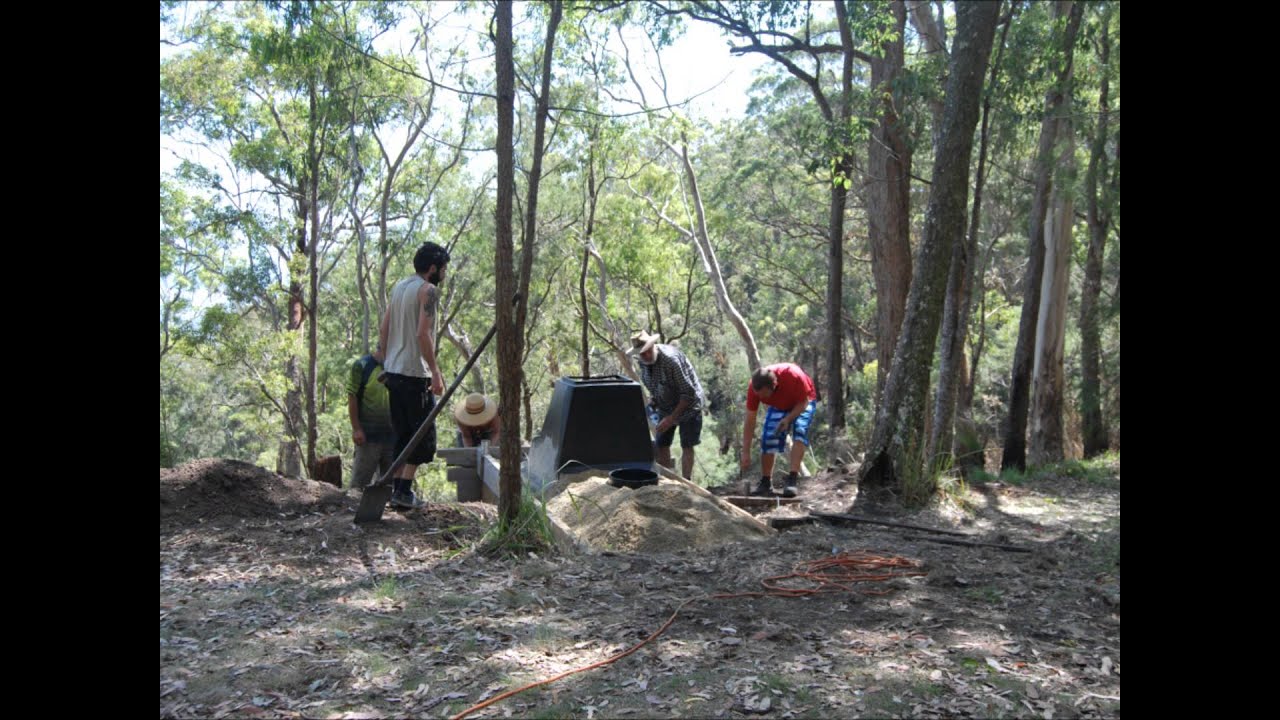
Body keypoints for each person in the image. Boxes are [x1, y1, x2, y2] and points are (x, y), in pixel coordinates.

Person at [377, 241, 450, 509]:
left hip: (394, 373)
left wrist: (386, 362)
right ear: (432, 269)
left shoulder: (399, 288)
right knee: (422, 437)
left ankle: (397, 491)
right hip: (414, 374)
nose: (444, 274)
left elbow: (384, 329)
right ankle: (404, 492)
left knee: (403, 434)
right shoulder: (427, 291)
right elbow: (423, 334)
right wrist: (435, 372)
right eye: (443, 269)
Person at [627, 330, 705, 480]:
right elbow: (655, 387)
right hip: (666, 404)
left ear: (653, 345)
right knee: (662, 443)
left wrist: (671, 419)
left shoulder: (671, 360)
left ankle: (686, 483)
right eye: (642, 354)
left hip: (689, 405)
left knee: (687, 444)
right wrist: (653, 402)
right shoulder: (643, 363)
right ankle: (667, 481)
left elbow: (688, 393)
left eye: (648, 351)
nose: (646, 356)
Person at [740, 363, 818, 498]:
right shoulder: (754, 387)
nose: (762, 399)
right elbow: (750, 419)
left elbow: (803, 402)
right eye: (759, 395)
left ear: (774, 386)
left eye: (764, 395)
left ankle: (792, 480)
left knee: (799, 431)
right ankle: (765, 482)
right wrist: (745, 451)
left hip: (803, 401)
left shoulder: (793, 376)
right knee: (769, 436)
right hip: (780, 405)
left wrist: (788, 419)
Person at [346, 350, 394, 490]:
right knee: (359, 485)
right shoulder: (362, 365)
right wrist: (356, 428)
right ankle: (352, 510)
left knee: (390, 486)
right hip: (368, 436)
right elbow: (352, 396)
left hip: (393, 436)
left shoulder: (397, 367)